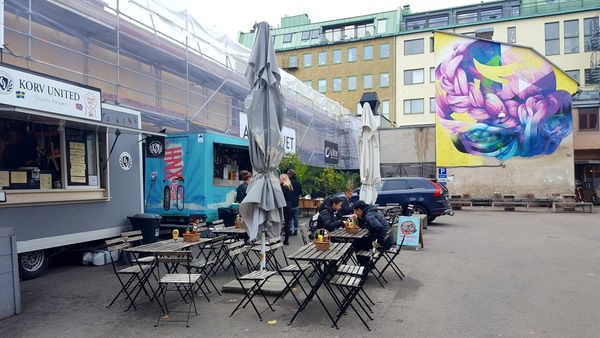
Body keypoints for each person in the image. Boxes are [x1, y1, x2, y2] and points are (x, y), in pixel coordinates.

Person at [352, 200, 393, 266]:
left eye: (354, 211)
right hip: (388, 240)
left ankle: (364, 267)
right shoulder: (370, 212)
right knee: (362, 241)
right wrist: (358, 219)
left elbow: (379, 227)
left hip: (385, 243)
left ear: (359, 210)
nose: (354, 212)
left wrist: (377, 241)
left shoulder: (369, 215)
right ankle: (368, 264)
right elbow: (366, 225)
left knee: (357, 243)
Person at [287, 169, 303, 236]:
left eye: (288, 174)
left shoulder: (288, 183)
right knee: (296, 217)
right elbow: (300, 193)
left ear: (290, 174)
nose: (287, 175)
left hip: (289, 202)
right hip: (296, 202)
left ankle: (290, 230)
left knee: (289, 217)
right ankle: (296, 230)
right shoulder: (298, 183)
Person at [280, 173, 294, 245]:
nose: (279, 180)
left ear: (284, 179)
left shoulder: (283, 187)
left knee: (283, 222)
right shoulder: (289, 186)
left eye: (280, 178)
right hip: (289, 205)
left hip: (284, 205)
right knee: (287, 222)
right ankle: (286, 239)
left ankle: (283, 239)